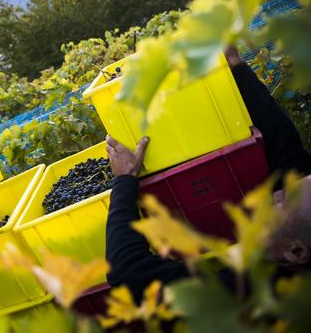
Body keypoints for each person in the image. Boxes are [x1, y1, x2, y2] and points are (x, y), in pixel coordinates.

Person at [105, 47, 311, 300]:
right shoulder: (296, 229)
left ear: (296, 252)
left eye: (281, 202)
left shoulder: (246, 293)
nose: (275, 195)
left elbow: (128, 275)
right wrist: (235, 66)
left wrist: (124, 181)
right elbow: (287, 149)